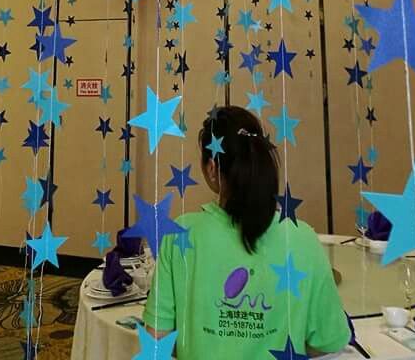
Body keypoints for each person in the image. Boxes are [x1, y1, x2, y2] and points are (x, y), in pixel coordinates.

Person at [142, 105, 350, 358]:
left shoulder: (180, 234)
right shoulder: (302, 238)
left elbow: (157, 339)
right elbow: (328, 342)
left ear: (211, 168)